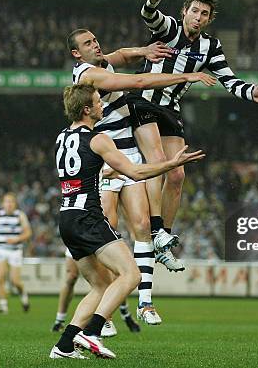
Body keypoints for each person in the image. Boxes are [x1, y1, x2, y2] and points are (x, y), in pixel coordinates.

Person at [129, 0, 258, 265]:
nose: (198, 17)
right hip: (144, 102)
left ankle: (163, 241)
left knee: (178, 174)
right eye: (194, 11)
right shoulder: (169, 29)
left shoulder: (211, 46)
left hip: (170, 108)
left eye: (204, 14)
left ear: (209, 20)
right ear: (184, 12)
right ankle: (156, 230)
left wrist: (252, 92)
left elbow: (229, 80)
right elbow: (148, 14)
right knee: (158, 163)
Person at [68, 28, 216, 323]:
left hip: (129, 153)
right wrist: (186, 76)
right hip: (107, 158)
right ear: (76, 54)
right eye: (88, 43)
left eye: (96, 39)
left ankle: (145, 302)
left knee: (142, 224)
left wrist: (142, 52)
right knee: (109, 230)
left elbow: (120, 55)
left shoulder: (99, 63)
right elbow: (138, 80)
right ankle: (106, 314)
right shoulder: (88, 74)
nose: (96, 45)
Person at [49, 84, 205, 359]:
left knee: (100, 285)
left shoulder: (62, 137)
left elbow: (79, 172)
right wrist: (170, 164)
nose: (102, 106)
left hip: (67, 218)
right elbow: (135, 171)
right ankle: (92, 333)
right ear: (87, 109)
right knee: (131, 274)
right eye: (98, 102)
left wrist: (103, 172)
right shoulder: (98, 139)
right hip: (89, 218)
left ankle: (63, 346)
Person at [50, 248, 140, 335]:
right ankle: (60, 320)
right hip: (78, 238)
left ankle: (122, 315)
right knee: (71, 277)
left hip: (98, 240)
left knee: (111, 279)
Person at [0, 193, 33, 314]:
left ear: (15, 203)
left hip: (15, 250)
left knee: (15, 281)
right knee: (0, 278)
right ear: (3, 203)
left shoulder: (20, 215)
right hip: (1, 249)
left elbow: (28, 233)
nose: (9, 204)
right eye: (6, 201)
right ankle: (3, 306)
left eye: (11, 201)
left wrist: (17, 239)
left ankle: (24, 296)